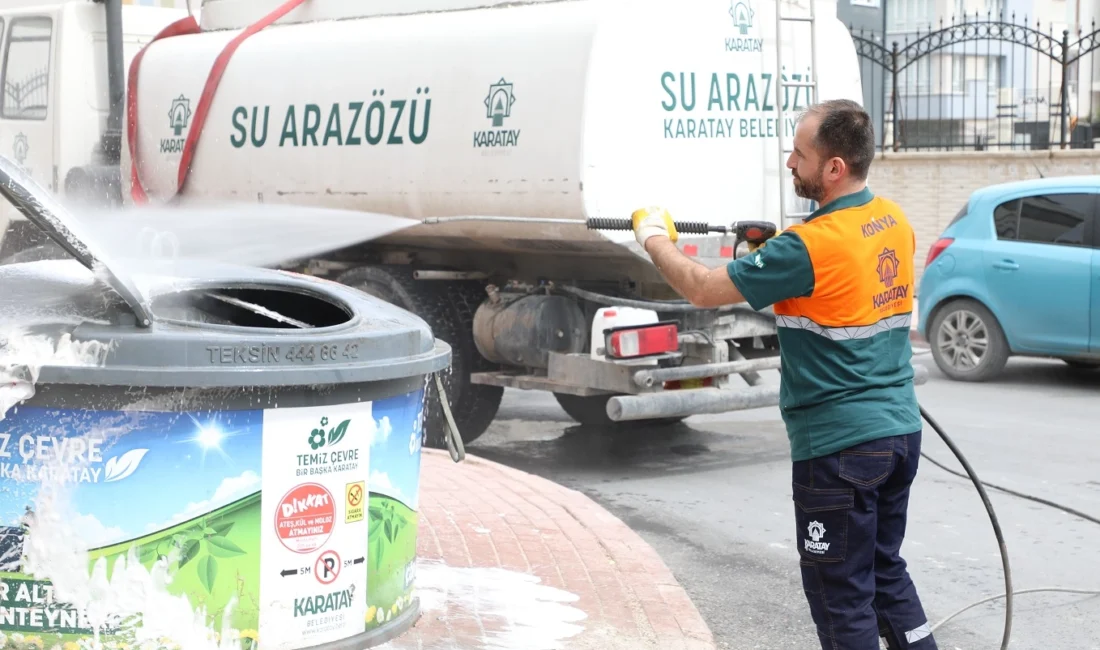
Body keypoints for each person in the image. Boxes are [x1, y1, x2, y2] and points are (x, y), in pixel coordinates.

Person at [631, 98, 937, 650]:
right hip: (899, 435)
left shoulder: (809, 246)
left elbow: (702, 289)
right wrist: (765, 255)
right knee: (885, 575)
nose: (791, 163)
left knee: (841, 597)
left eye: (800, 154)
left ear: (835, 167)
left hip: (840, 448)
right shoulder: (892, 220)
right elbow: (839, 287)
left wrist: (655, 238)